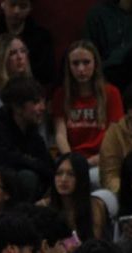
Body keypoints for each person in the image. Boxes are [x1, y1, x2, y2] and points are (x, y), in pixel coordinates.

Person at [0, 76, 52, 200]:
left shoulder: (32, 134)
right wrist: (34, 164)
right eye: (36, 102)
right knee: (27, 177)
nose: (43, 108)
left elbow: (47, 166)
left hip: (13, 197)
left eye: (43, 101)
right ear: (17, 107)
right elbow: (8, 164)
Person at [53, 40, 124, 170]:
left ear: (95, 64)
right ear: (68, 66)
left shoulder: (111, 93)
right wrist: (71, 159)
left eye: (86, 62)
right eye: (75, 63)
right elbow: (60, 134)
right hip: (71, 158)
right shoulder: (61, 94)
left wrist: (96, 159)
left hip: (102, 158)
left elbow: (114, 134)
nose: (81, 69)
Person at [39, 153, 109, 242]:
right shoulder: (43, 207)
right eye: (59, 173)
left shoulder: (95, 206)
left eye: (71, 174)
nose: (63, 179)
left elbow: (95, 244)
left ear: (81, 178)